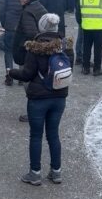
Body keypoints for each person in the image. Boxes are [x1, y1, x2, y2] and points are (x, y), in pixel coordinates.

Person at [10, 13, 71, 185]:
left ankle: (35, 173)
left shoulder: (35, 48)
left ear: (42, 27)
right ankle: (56, 172)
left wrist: (12, 72)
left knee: (36, 135)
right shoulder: (65, 46)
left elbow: (27, 74)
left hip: (38, 98)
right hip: (59, 95)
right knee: (53, 134)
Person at [0, 0, 26, 86]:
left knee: (8, 51)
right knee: (23, 51)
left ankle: (9, 75)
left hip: (10, 27)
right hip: (23, 28)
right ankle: (22, 76)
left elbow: (1, 11)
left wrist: (4, 24)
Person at [16, 0, 48, 71]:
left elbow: (31, 33)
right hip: (42, 47)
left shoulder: (27, 12)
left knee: (27, 75)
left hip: (29, 51)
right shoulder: (40, 7)